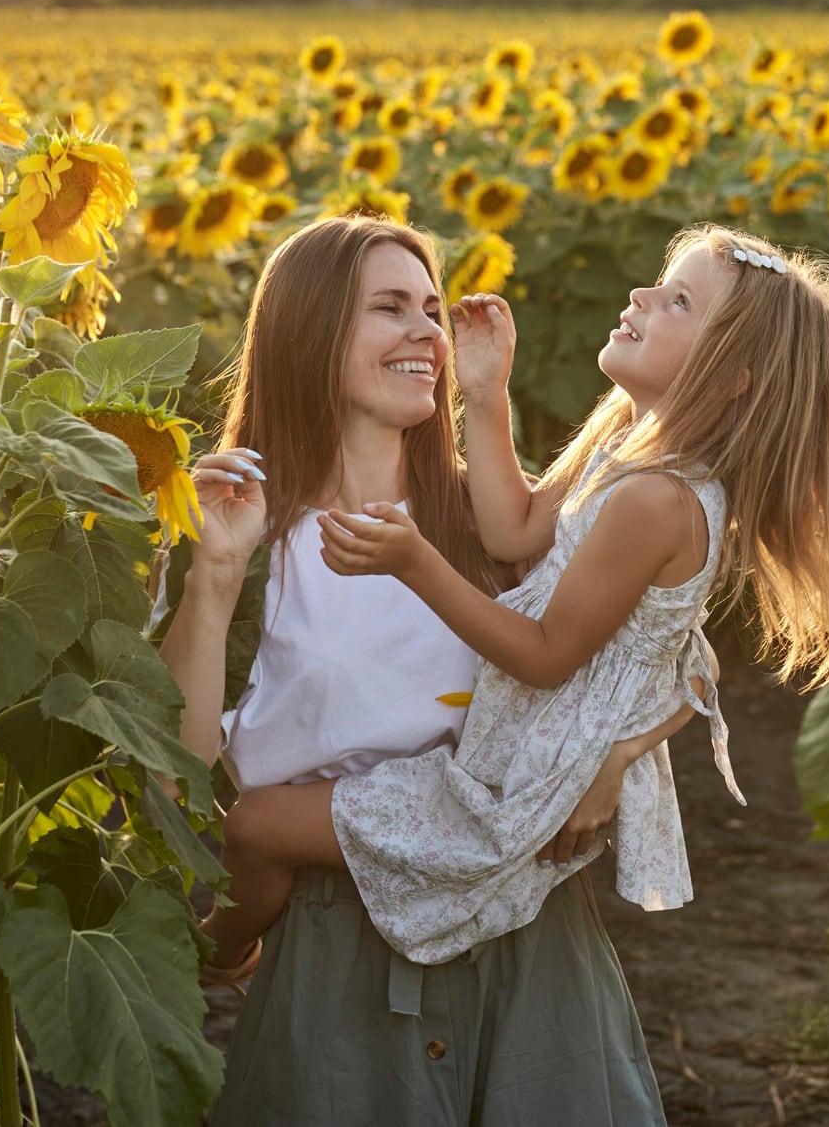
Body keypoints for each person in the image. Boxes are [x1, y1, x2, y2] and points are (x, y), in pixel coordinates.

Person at [199, 224, 829, 976]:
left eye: (678, 300)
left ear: (730, 377)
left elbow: (550, 658)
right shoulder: (625, 445)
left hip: (516, 782)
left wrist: (415, 564)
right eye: (661, 282)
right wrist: (487, 392)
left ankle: (221, 956)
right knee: (266, 830)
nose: (640, 294)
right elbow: (512, 529)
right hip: (520, 757)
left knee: (260, 827)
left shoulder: (657, 499)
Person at [151, 214, 678, 1124]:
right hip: (331, 944)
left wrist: (617, 754)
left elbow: (671, 652)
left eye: (431, 310)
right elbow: (175, 772)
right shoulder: (241, 524)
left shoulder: (491, 523)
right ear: (308, 332)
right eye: (390, 308)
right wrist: (211, 580)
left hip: (523, 941)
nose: (426, 334)